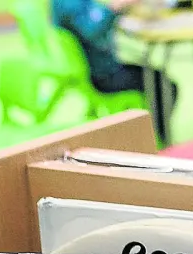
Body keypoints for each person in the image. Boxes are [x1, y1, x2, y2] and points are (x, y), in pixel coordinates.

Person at [51, 0, 179, 145]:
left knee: (158, 79)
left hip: (99, 69)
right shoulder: (69, 3)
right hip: (101, 76)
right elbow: (92, 29)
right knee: (164, 86)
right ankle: (161, 141)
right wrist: (116, 6)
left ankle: (155, 137)